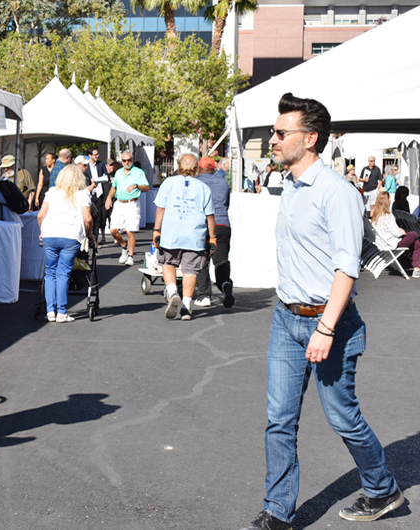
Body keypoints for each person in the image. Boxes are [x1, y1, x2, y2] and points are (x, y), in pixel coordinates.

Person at [239, 93, 402, 530]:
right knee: (279, 419)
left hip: (330, 322)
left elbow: (347, 268)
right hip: (286, 318)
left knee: (342, 417)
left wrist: (326, 327)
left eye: (280, 133)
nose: (272, 140)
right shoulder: (291, 185)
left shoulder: (338, 193)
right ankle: (278, 511)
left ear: (309, 139)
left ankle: (383, 489)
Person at [153, 154, 215, 321]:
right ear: (196, 167)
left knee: (167, 262)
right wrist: (212, 238)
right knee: (190, 269)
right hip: (194, 233)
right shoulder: (203, 187)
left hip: (171, 232)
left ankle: (173, 291)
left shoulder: (168, 183)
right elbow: (209, 216)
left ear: (178, 165)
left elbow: (161, 209)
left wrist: (156, 230)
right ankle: (187, 308)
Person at [37, 164, 93, 322]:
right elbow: (87, 218)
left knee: (50, 272)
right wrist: (90, 235)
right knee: (63, 273)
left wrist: (42, 231)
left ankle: (50, 311)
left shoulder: (52, 192)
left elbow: (41, 215)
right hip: (70, 235)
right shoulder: (83, 194)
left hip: (50, 234)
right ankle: (62, 311)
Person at [194, 157, 234, 309]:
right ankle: (225, 284)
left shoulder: (196, 183)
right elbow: (226, 203)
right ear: (213, 168)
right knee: (221, 259)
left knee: (201, 258)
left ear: (199, 168)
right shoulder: (223, 182)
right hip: (223, 223)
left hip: (203, 225)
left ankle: (204, 295)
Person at [105, 151, 150, 266]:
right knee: (113, 230)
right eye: (124, 160)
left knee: (130, 231)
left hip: (132, 203)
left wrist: (136, 186)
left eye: (129, 160)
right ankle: (124, 247)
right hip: (119, 203)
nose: (127, 162)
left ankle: (130, 256)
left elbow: (146, 187)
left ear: (132, 159)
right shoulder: (119, 172)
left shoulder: (138, 172)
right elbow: (114, 187)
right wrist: (109, 198)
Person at [371, 191, 420, 278]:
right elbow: (397, 233)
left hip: (383, 242)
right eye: (389, 198)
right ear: (387, 201)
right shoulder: (388, 216)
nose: (390, 200)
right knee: (415, 234)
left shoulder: (376, 216)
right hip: (392, 242)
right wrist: (402, 231)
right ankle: (416, 268)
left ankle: (417, 268)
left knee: (416, 243)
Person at [87, 148, 111, 244]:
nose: (97, 156)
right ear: (90, 155)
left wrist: (97, 180)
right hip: (89, 194)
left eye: (98, 154)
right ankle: (89, 238)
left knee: (98, 218)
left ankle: (95, 240)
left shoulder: (100, 164)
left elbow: (106, 177)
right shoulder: (86, 165)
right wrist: (90, 180)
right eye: (95, 154)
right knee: (89, 217)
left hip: (99, 194)